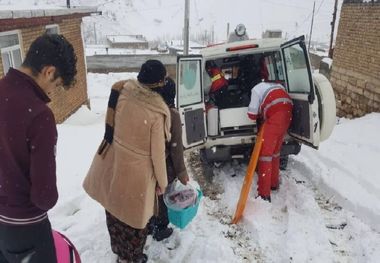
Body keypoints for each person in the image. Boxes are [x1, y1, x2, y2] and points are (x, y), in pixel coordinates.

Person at [83, 60, 171, 263]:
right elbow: (158, 155)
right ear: (159, 83)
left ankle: (119, 251)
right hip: (137, 176)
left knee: (114, 210)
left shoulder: (123, 91)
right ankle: (133, 257)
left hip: (115, 162)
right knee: (134, 221)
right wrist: (162, 183)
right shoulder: (156, 112)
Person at [0, 34, 77, 262]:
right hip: (26, 229)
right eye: (56, 84)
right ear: (49, 71)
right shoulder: (39, 114)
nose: (52, 92)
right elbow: (44, 196)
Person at [149, 77, 190, 241]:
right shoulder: (172, 114)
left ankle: (149, 225)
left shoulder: (150, 111)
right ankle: (160, 228)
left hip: (149, 164)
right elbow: (176, 148)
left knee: (151, 196)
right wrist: (181, 172)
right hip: (165, 165)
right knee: (164, 196)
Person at [247, 82, 293, 202]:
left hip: (275, 117)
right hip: (288, 113)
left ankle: (264, 195)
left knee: (265, 156)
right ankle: (273, 183)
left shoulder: (255, 90)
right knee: (275, 153)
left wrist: (258, 113)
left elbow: (251, 115)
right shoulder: (278, 86)